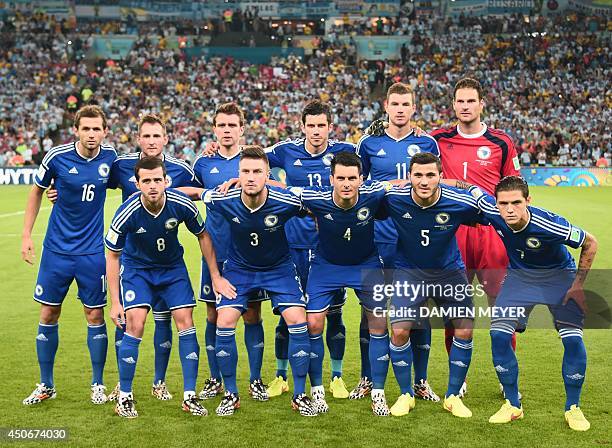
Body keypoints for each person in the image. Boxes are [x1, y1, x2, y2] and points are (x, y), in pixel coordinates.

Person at [104, 156, 235, 418]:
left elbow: (203, 235)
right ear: (138, 183)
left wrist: (216, 276)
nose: (153, 186)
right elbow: (112, 255)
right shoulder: (127, 212)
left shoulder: (181, 203)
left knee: (186, 322)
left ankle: (189, 396)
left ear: (166, 181)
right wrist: (115, 302)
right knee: (136, 323)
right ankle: (125, 397)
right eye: (146, 181)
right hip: (138, 270)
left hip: (172, 269)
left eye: (157, 180)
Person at [464, 176, 597, 431]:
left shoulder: (549, 224)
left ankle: (573, 407)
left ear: (528, 201)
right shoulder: (494, 210)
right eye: (504, 203)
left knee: (572, 339)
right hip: (520, 280)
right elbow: (468, 188)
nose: (509, 209)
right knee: (499, 335)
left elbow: (590, 243)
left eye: (516, 202)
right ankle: (513, 405)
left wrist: (578, 285)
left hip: (559, 278)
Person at [201, 146, 316, 417]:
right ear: (237, 174)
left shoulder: (286, 200)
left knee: (299, 321)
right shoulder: (223, 198)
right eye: (245, 172)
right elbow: (192, 195)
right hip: (239, 270)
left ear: (268, 175)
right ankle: (231, 394)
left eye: (257, 172)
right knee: (225, 320)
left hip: (279, 269)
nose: (251, 177)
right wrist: (216, 276)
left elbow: (317, 209)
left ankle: (300, 395)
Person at [429, 78, 521, 396]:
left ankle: (505, 376)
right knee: (453, 308)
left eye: (471, 101)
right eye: (460, 101)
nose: (465, 106)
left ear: (482, 103)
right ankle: (459, 378)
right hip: (452, 234)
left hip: (491, 234)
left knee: (502, 307)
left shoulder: (501, 143)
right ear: (453, 104)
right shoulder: (436, 140)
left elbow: (517, 190)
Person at [22, 105, 117, 406]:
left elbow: (137, 175)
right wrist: (26, 235)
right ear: (75, 130)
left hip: (92, 253)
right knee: (49, 313)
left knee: (95, 315)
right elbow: (37, 191)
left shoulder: (110, 158)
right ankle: (46, 384)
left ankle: (98, 384)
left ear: (105, 131)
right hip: (56, 251)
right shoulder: (56, 158)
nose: (91, 134)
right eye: (85, 128)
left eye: (96, 129)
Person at [381, 153, 485, 418]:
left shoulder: (457, 202)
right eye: (418, 175)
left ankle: (452, 396)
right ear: (409, 177)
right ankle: (406, 394)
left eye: (430, 175)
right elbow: (361, 198)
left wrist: (474, 189)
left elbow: (494, 213)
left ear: (440, 176)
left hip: (449, 272)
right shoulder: (394, 199)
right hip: (409, 272)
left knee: (464, 329)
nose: (424, 181)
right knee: (400, 331)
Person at [288, 152, 392, 416]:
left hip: (366, 264)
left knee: (378, 322)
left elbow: (404, 183)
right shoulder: (316, 198)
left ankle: (378, 392)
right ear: (331, 179)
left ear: (361, 179)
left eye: (352, 178)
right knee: (313, 323)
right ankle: (318, 391)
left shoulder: (373, 194)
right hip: (326, 266)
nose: (347, 183)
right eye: (341, 178)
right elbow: (280, 190)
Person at [356, 82, 441, 402]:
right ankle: (367, 378)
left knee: (419, 312)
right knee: (371, 312)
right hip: (376, 239)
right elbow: (357, 184)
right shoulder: (368, 142)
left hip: (414, 243)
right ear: (386, 107)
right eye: (395, 104)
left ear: (414, 108)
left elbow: (436, 186)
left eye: (406, 104)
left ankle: (420, 381)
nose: (401, 109)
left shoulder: (427, 142)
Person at [192, 103, 268, 402]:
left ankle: (256, 379)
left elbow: (276, 184)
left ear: (241, 128)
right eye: (221, 125)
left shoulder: (252, 160)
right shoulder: (203, 163)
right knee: (212, 313)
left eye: (232, 125)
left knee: (251, 313)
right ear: (214, 129)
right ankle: (214, 378)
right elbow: (185, 190)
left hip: (249, 251)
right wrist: (204, 193)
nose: (226, 130)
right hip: (215, 250)